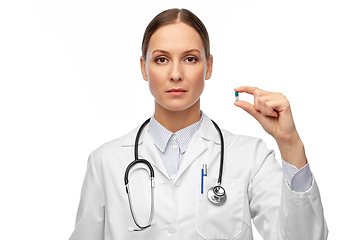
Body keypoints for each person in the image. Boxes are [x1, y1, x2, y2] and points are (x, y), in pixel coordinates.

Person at [69, 8, 328, 240]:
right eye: (161, 59)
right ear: (144, 68)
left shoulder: (250, 157)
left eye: (190, 58)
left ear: (209, 66)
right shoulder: (105, 162)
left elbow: (305, 237)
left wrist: (289, 143)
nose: (176, 74)